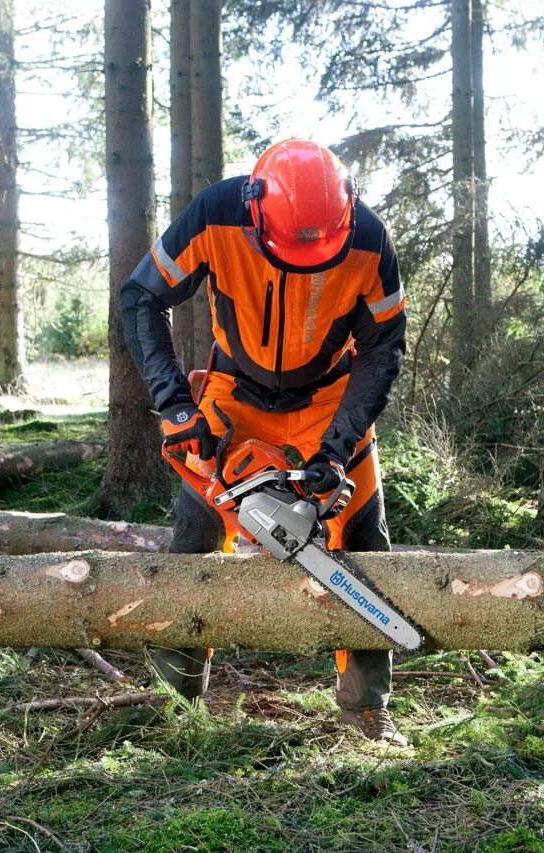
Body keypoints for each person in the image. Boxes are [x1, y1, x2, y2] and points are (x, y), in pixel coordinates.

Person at [119, 139, 408, 746]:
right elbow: (142, 295)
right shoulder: (216, 215)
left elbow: (382, 348)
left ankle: (366, 709)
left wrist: (337, 448)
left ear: (347, 207)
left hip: (328, 401)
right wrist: (175, 406)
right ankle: (178, 698)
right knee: (195, 533)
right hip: (235, 395)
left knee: (362, 539)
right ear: (255, 207)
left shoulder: (368, 241)